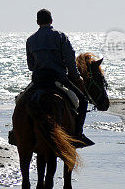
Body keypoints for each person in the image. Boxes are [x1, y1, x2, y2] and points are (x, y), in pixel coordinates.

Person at [25, 8, 89, 140]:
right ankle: (78, 135)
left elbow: (31, 66)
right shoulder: (60, 36)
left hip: (38, 80)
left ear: (37, 22)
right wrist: (76, 77)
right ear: (51, 20)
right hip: (57, 79)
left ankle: (17, 133)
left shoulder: (30, 40)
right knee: (83, 101)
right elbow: (70, 60)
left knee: (20, 100)